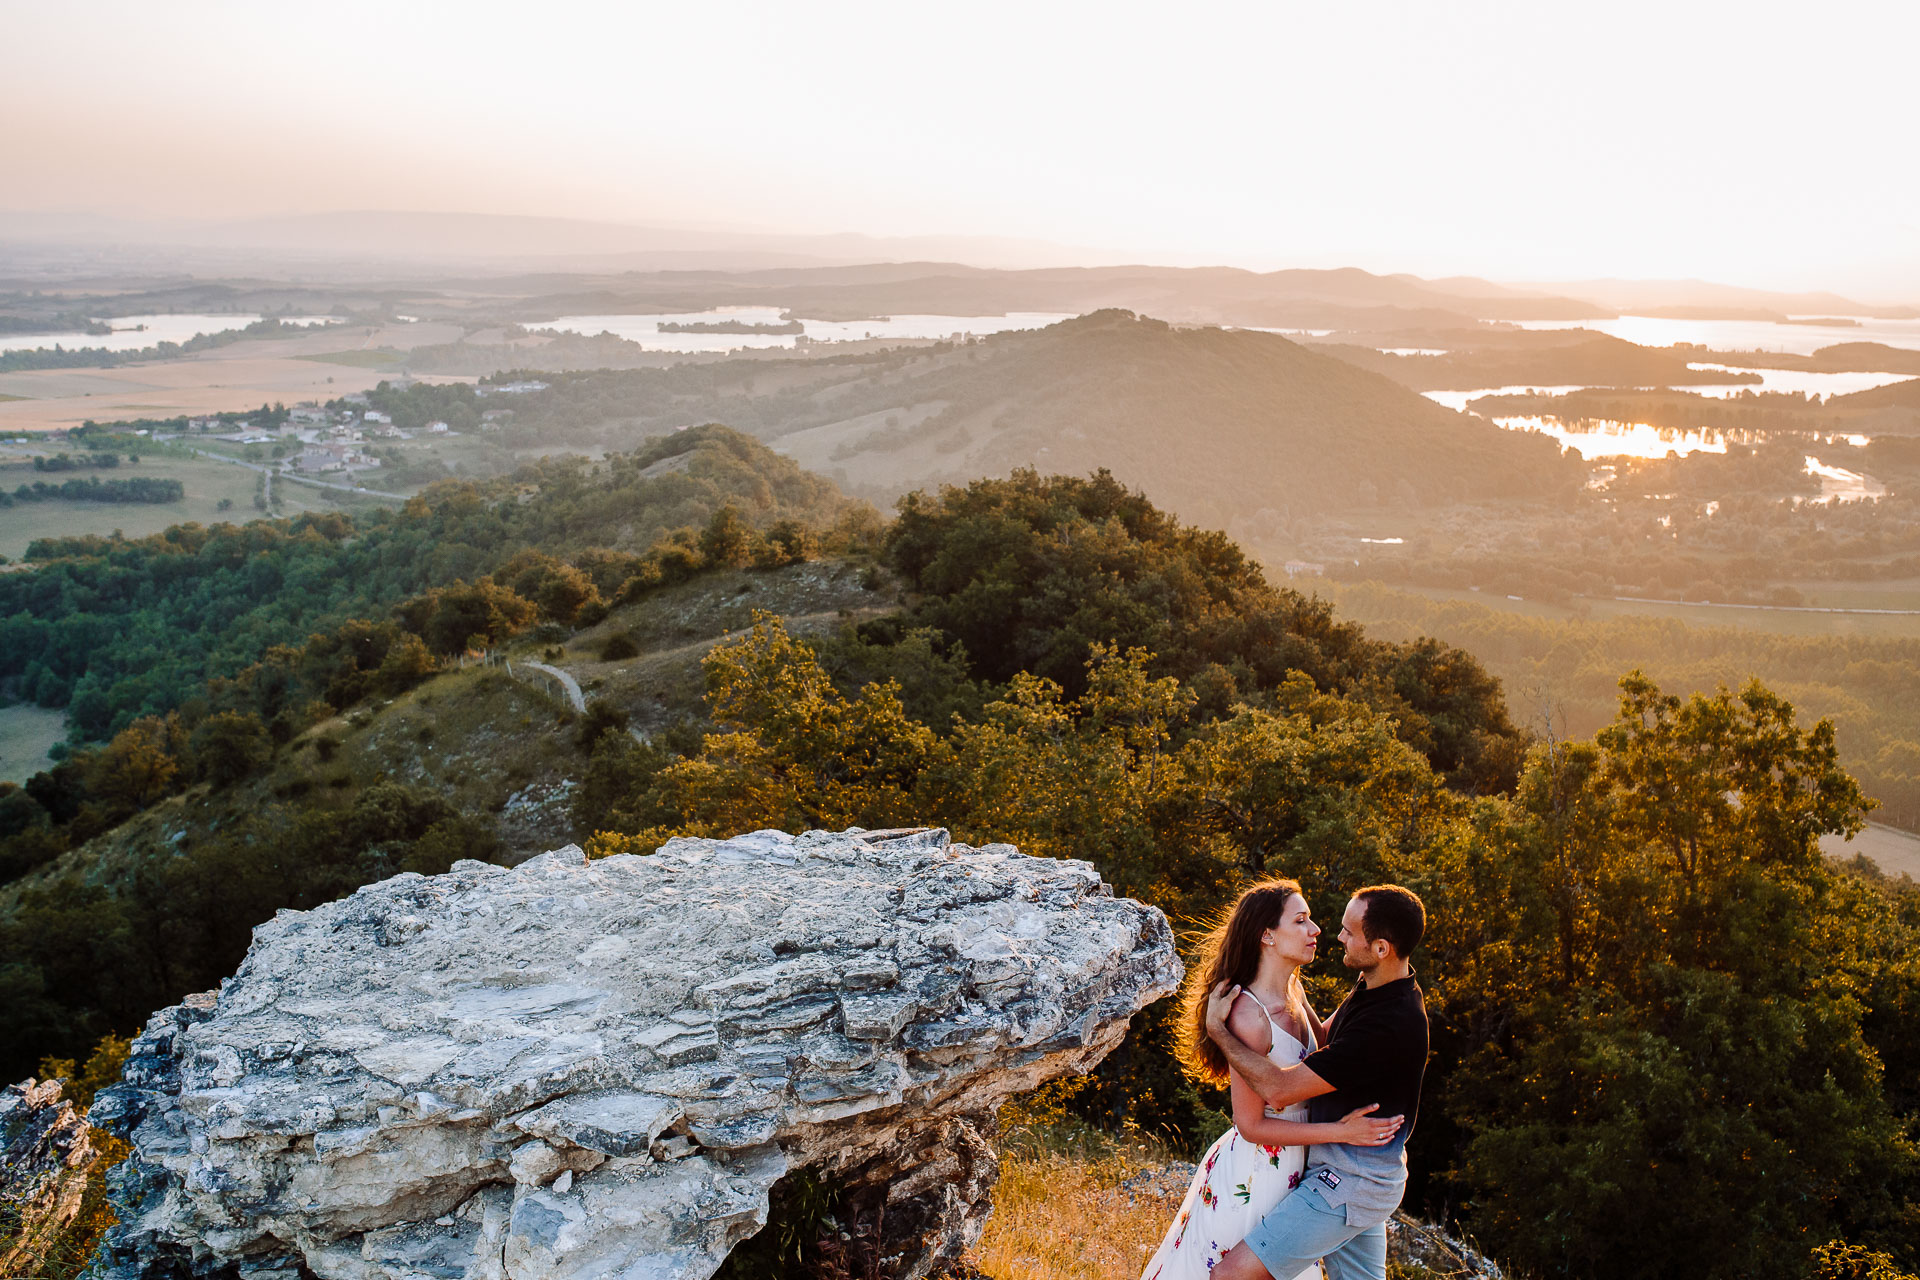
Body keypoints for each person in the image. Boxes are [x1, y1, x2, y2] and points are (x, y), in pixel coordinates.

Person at [1140, 881, 1405, 1280]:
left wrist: (1378, 1000)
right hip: (1260, 1172)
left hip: (1303, 1165)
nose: (1315, 929)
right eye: (1300, 921)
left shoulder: (1294, 991)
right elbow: (1250, 1125)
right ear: (1267, 935)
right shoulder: (1249, 1017)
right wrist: (1343, 1132)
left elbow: (1330, 1049)